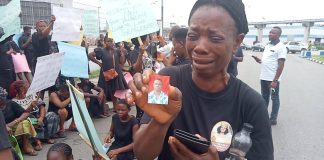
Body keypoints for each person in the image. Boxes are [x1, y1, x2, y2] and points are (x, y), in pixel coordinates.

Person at [127, 0, 274, 159]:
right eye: (193, 35)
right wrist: (159, 123)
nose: (199, 47)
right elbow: (142, 154)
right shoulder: (167, 80)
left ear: (237, 42)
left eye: (215, 38)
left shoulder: (251, 104)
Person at [252, 26, 287, 126]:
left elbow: (281, 64)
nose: (270, 34)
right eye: (270, 32)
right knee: (264, 97)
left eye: (273, 33)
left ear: (279, 35)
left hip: (272, 79)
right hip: (263, 77)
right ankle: (263, 115)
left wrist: (275, 80)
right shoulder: (268, 46)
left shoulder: (281, 47)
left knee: (274, 98)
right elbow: (266, 61)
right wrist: (259, 60)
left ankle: (273, 118)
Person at [10, 81, 59, 146]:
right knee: (30, 120)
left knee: (52, 115)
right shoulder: (14, 101)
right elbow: (23, 114)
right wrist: (30, 107)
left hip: (39, 116)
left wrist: (41, 117)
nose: (29, 87)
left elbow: (42, 106)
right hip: (28, 118)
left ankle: (46, 137)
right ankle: (36, 140)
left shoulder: (32, 95)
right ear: (22, 88)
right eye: (27, 85)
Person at [89, 35, 128, 109]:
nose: (110, 43)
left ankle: (115, 106)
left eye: (111, 41)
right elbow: (90, 55)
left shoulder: (117, 51)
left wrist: (122, 54)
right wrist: (98, 63)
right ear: (104, 42)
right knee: (104, 90)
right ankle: (102, 108)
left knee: (115, 89)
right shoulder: (101, 51)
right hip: (105, 73)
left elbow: (121, 62)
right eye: (108, 41)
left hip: (115, 73)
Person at [0, 87, 38, 156]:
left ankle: (25, 147)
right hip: (2, 133)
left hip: (14, 128)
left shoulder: (10, 103)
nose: (3, 99)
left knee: (25, 122)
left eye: (3, 97)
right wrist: (4, 127)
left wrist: (15, 121)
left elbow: (26, 113)